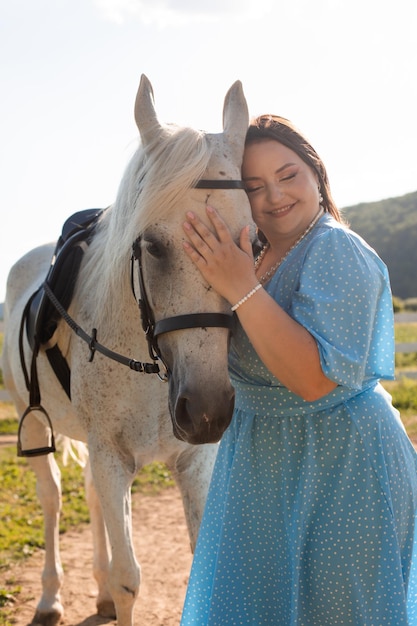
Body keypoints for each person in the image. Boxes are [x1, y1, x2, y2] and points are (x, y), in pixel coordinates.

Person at [180, 114, 417, 625]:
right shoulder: (253, 254)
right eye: (255, 185)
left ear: (316, 173)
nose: (274, 196)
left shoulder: (335, 247)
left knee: (335, 610)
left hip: (340, 462)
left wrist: (239, 285)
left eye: (288, 175)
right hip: (260, 460)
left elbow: (313, 380)